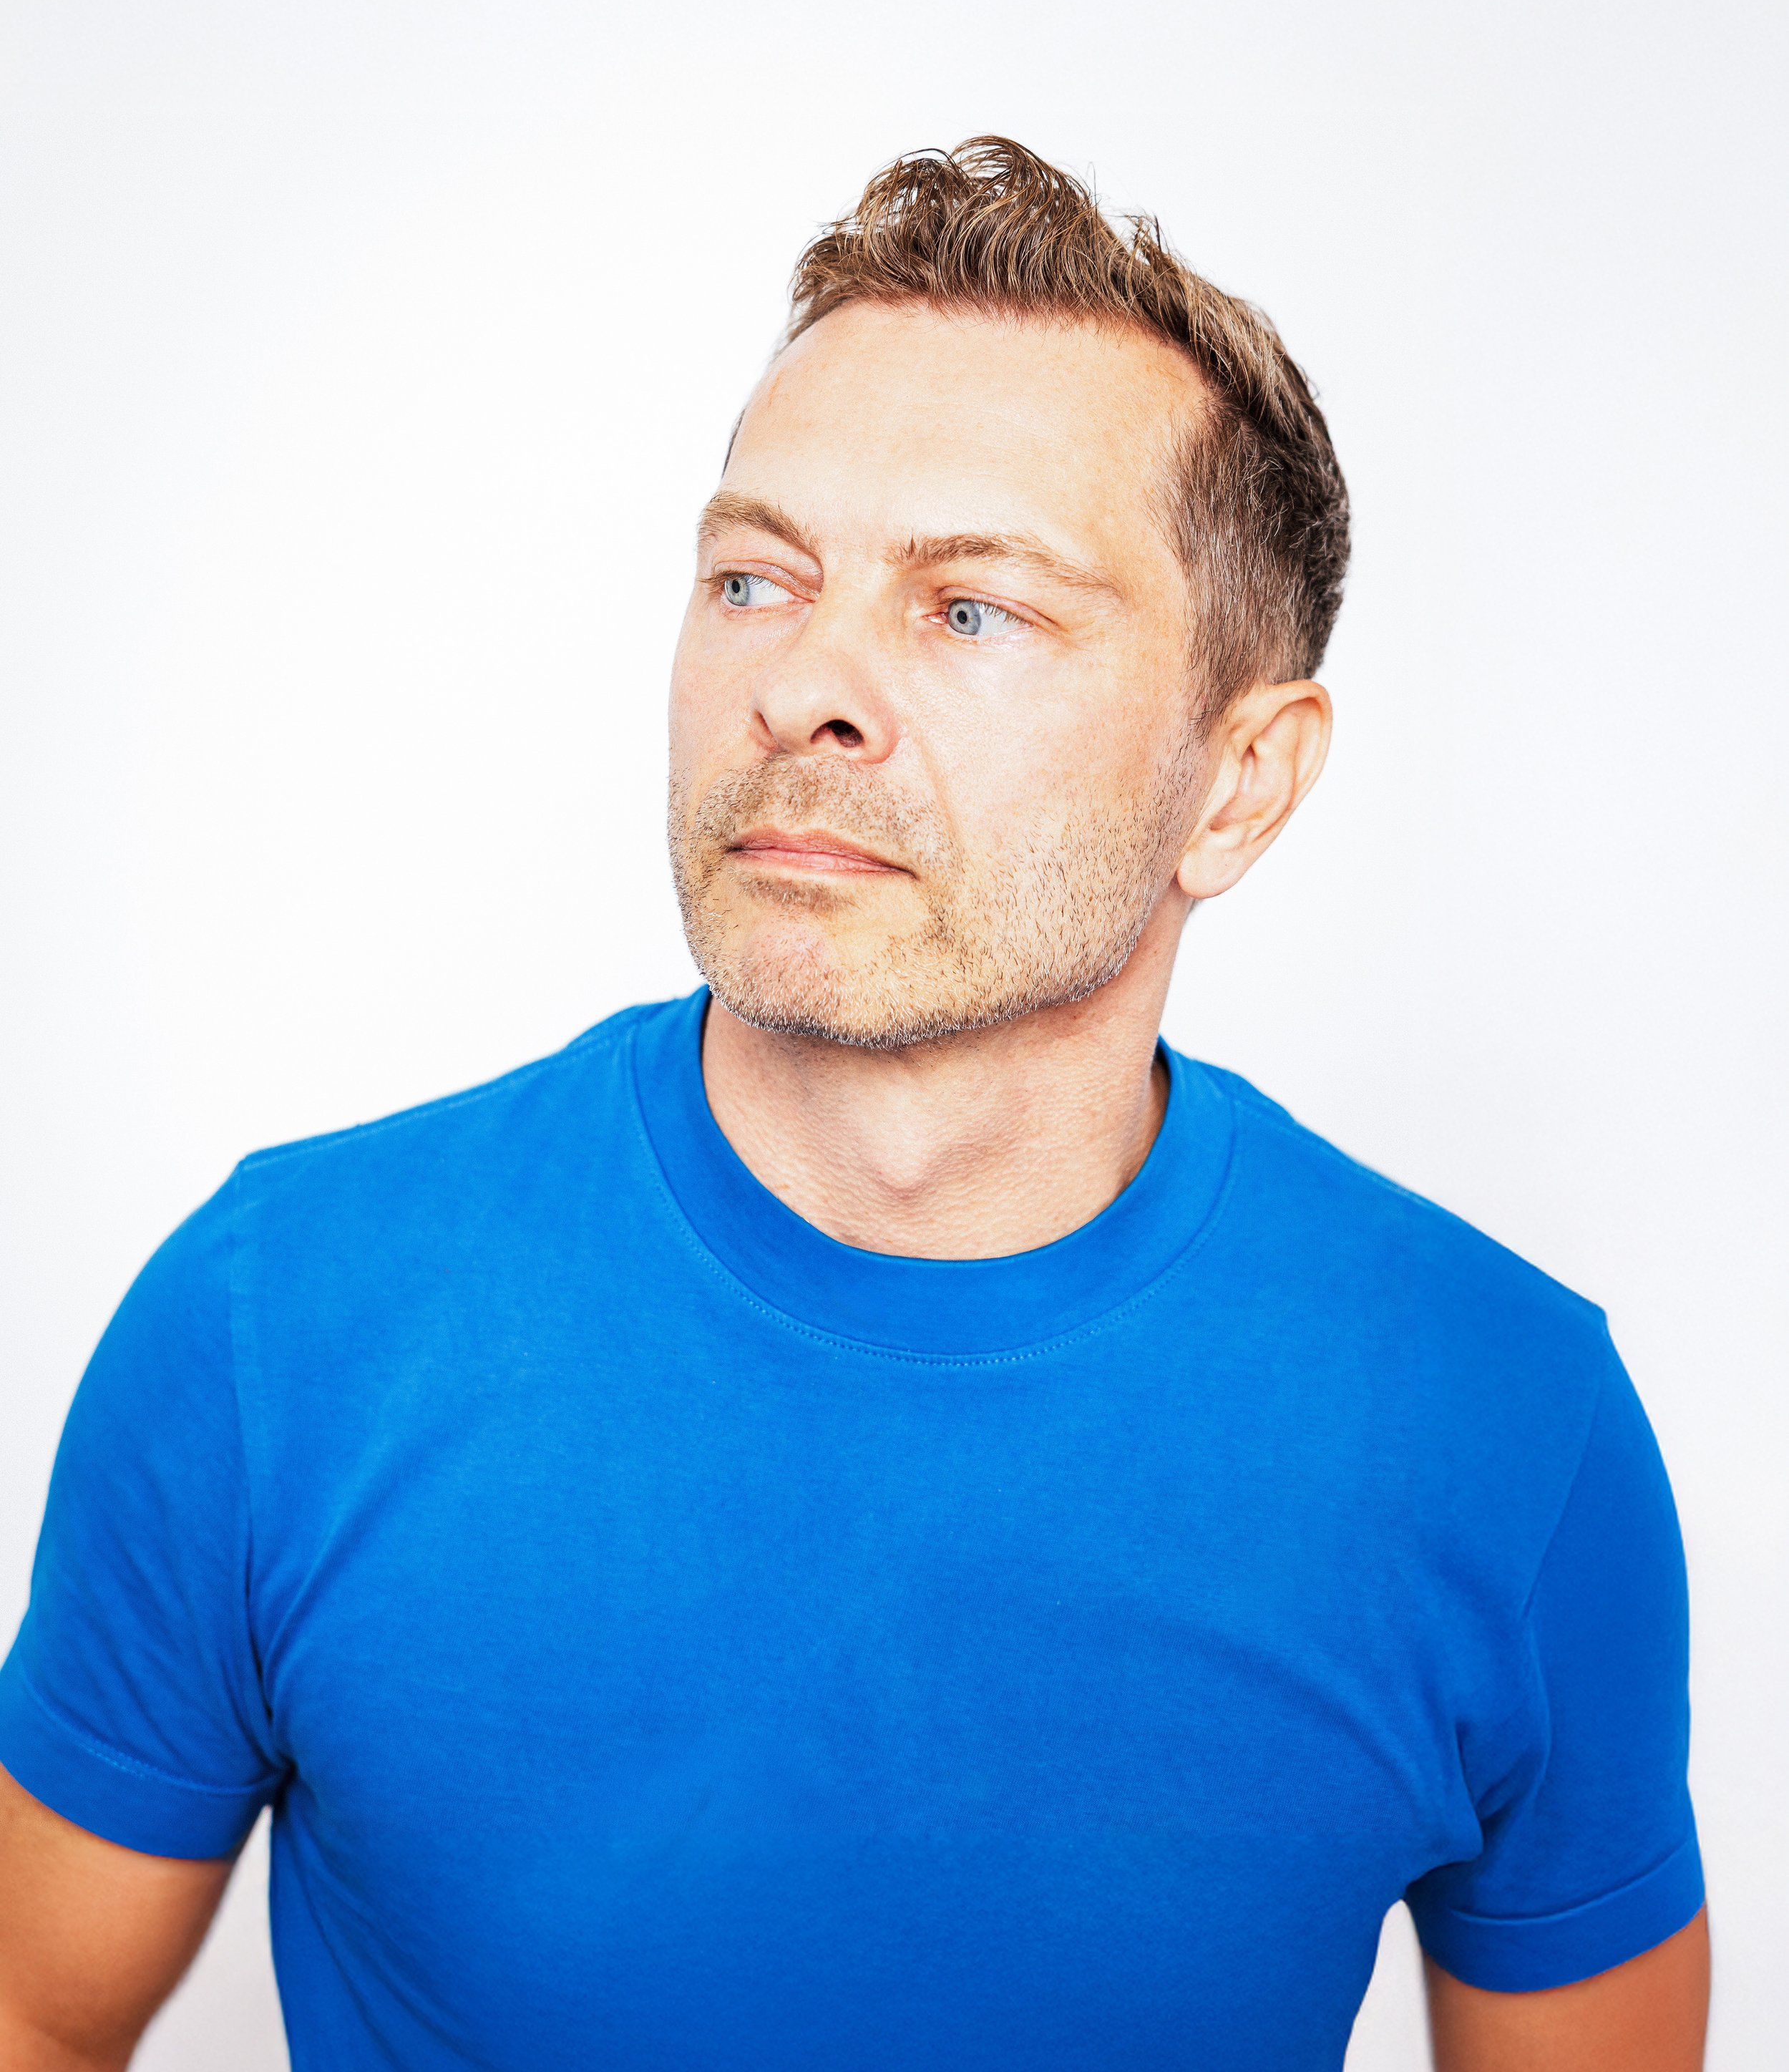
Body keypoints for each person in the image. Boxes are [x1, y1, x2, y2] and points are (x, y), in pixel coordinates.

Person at [0, 137, 1706, 2071]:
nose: (805, 680)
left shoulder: (1505, 1421)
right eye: (754, 576)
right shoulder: (274, 1320)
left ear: (1236, 784)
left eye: (971, 610)